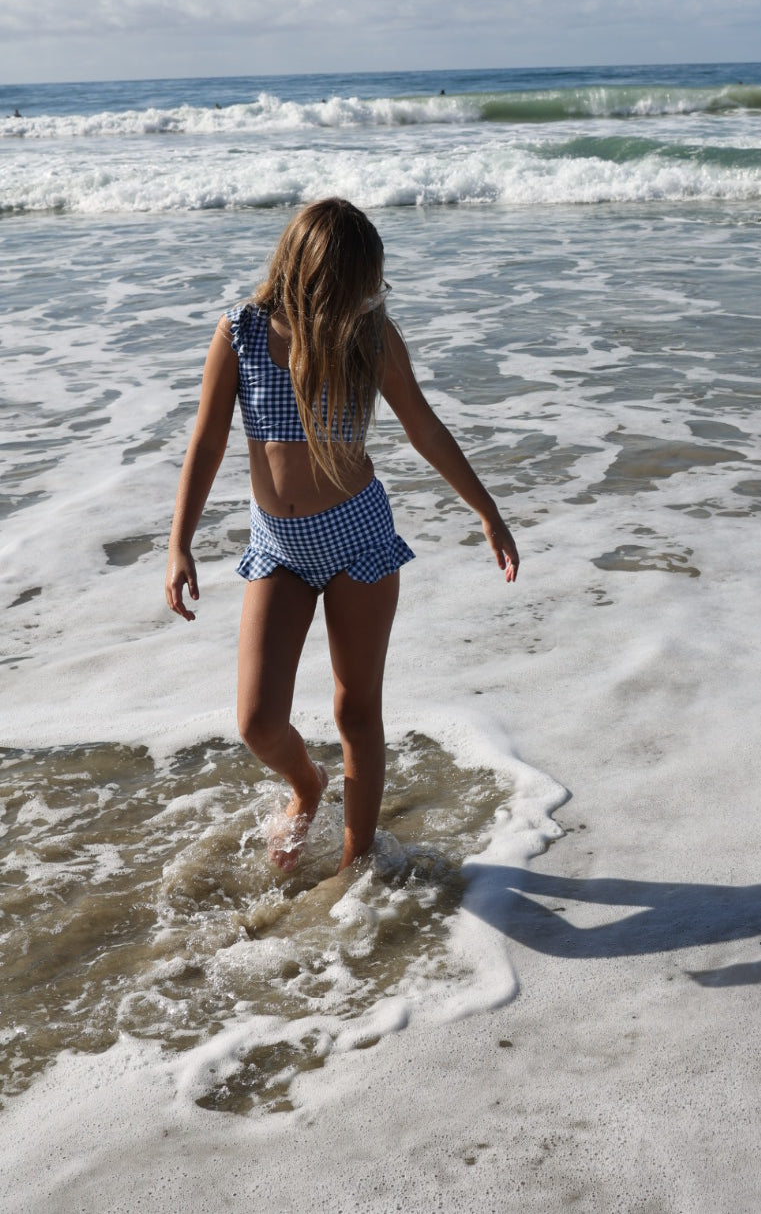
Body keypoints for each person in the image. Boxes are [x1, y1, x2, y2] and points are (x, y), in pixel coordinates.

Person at [165, 197, 518, 875]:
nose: (370, 299)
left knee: (357, 711)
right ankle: (307, 784)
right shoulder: (240, 333)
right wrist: (179, 542)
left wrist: (488, 511)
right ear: (316, 277)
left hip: (358, 536)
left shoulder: (370, 337)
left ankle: (356, 865)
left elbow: (423, 426)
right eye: (360, 286)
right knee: (257, 721)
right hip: (278, 548)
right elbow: (206, 442)